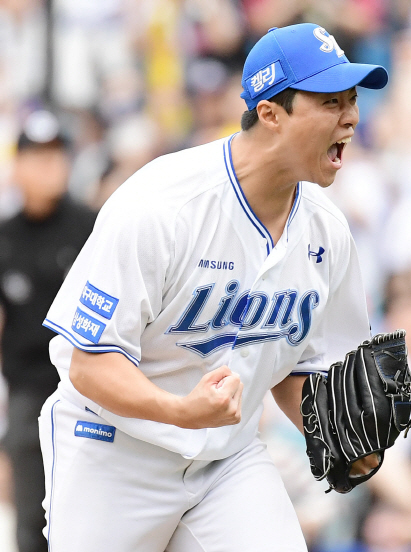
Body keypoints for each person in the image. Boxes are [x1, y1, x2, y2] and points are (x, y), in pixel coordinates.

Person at [38, 24, 388, 551]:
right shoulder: (162, 204)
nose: (352, 117)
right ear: (270, 112)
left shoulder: (327, 232)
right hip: (113, 452)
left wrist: (340, 431)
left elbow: (300, 369)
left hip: (227, 460)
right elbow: (88, 364)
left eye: (353, 100)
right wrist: (180, 411)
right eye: (331, 101)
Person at [0, 110, 95, 552]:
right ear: (17, 166)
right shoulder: (4, 237)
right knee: (30, 525)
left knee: (91, 520)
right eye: (37, 158)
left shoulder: (92, 226)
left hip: (89, 389)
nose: (49, 167)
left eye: (57, 156)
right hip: (26, 394)